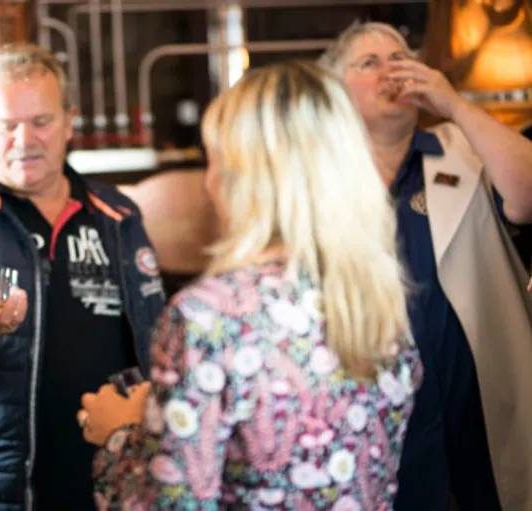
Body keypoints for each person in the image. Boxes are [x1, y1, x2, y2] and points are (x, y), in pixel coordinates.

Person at [78, 59, 422, 509]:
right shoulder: (376, 299)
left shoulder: (208, 317)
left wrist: (121, 435)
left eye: (215, 161)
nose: (209, 183)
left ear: (244, 179)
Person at [0, 43, 166, 511]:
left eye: (41, 121)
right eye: (7, 125)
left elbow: (155, 344)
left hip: (114, 483)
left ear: (69, 120)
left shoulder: (119, 215)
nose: (24, 139)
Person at [318, 20, 532, 511]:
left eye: (399, 58)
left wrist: (455, 106)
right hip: (380, 423)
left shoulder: (461, 147)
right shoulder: (319, 181)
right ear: (336, 92)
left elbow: (528, 197)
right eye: (369, 62)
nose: (390, 71)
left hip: (480, 409)